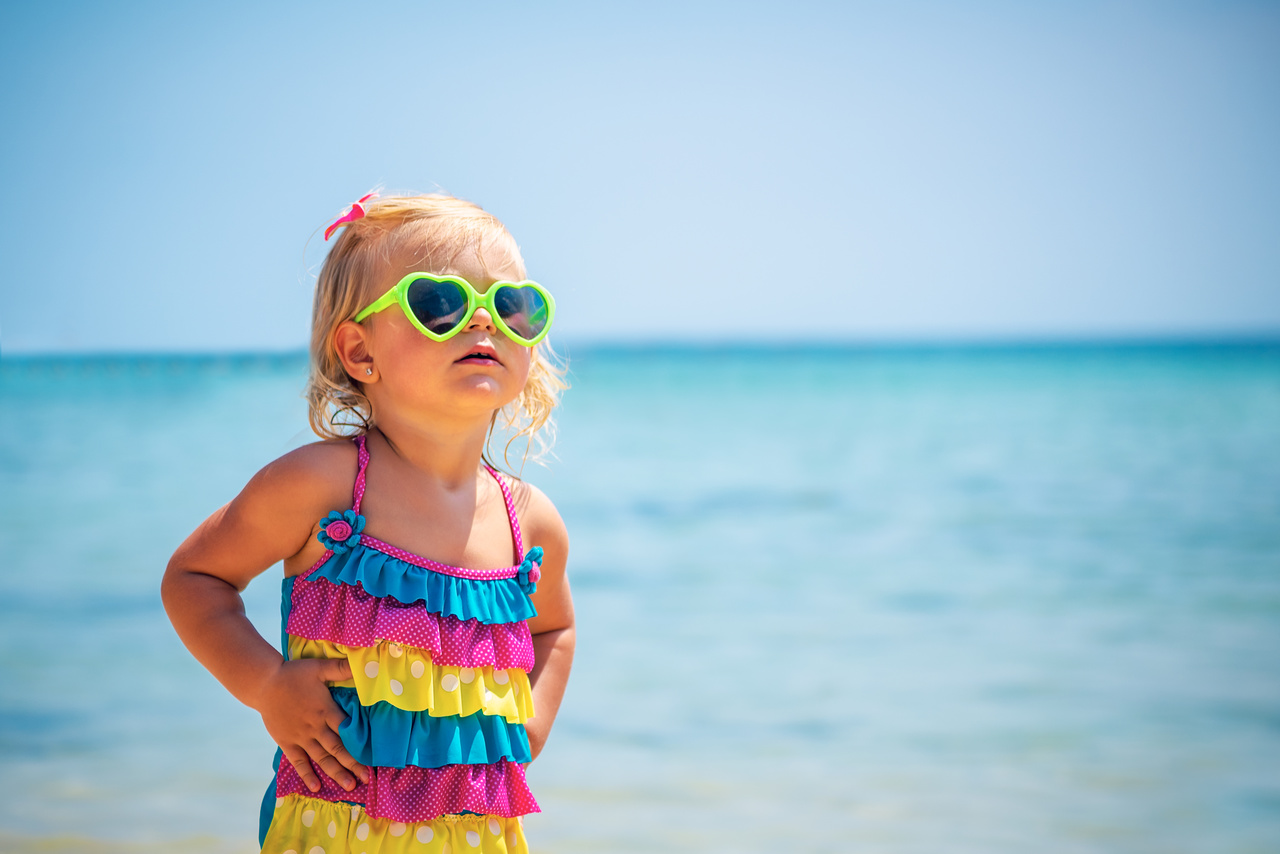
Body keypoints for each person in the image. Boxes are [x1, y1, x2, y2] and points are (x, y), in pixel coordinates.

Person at [162, 193, 574, 853]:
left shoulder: (530, 522)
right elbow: (195, 576)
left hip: (474, 833)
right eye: (439, 304)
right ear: (359, 351)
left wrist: (531, 725)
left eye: (511, 306)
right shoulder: (324, 488)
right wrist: (266, 683)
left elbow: (555, 627)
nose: (483, 323)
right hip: (331, 830)